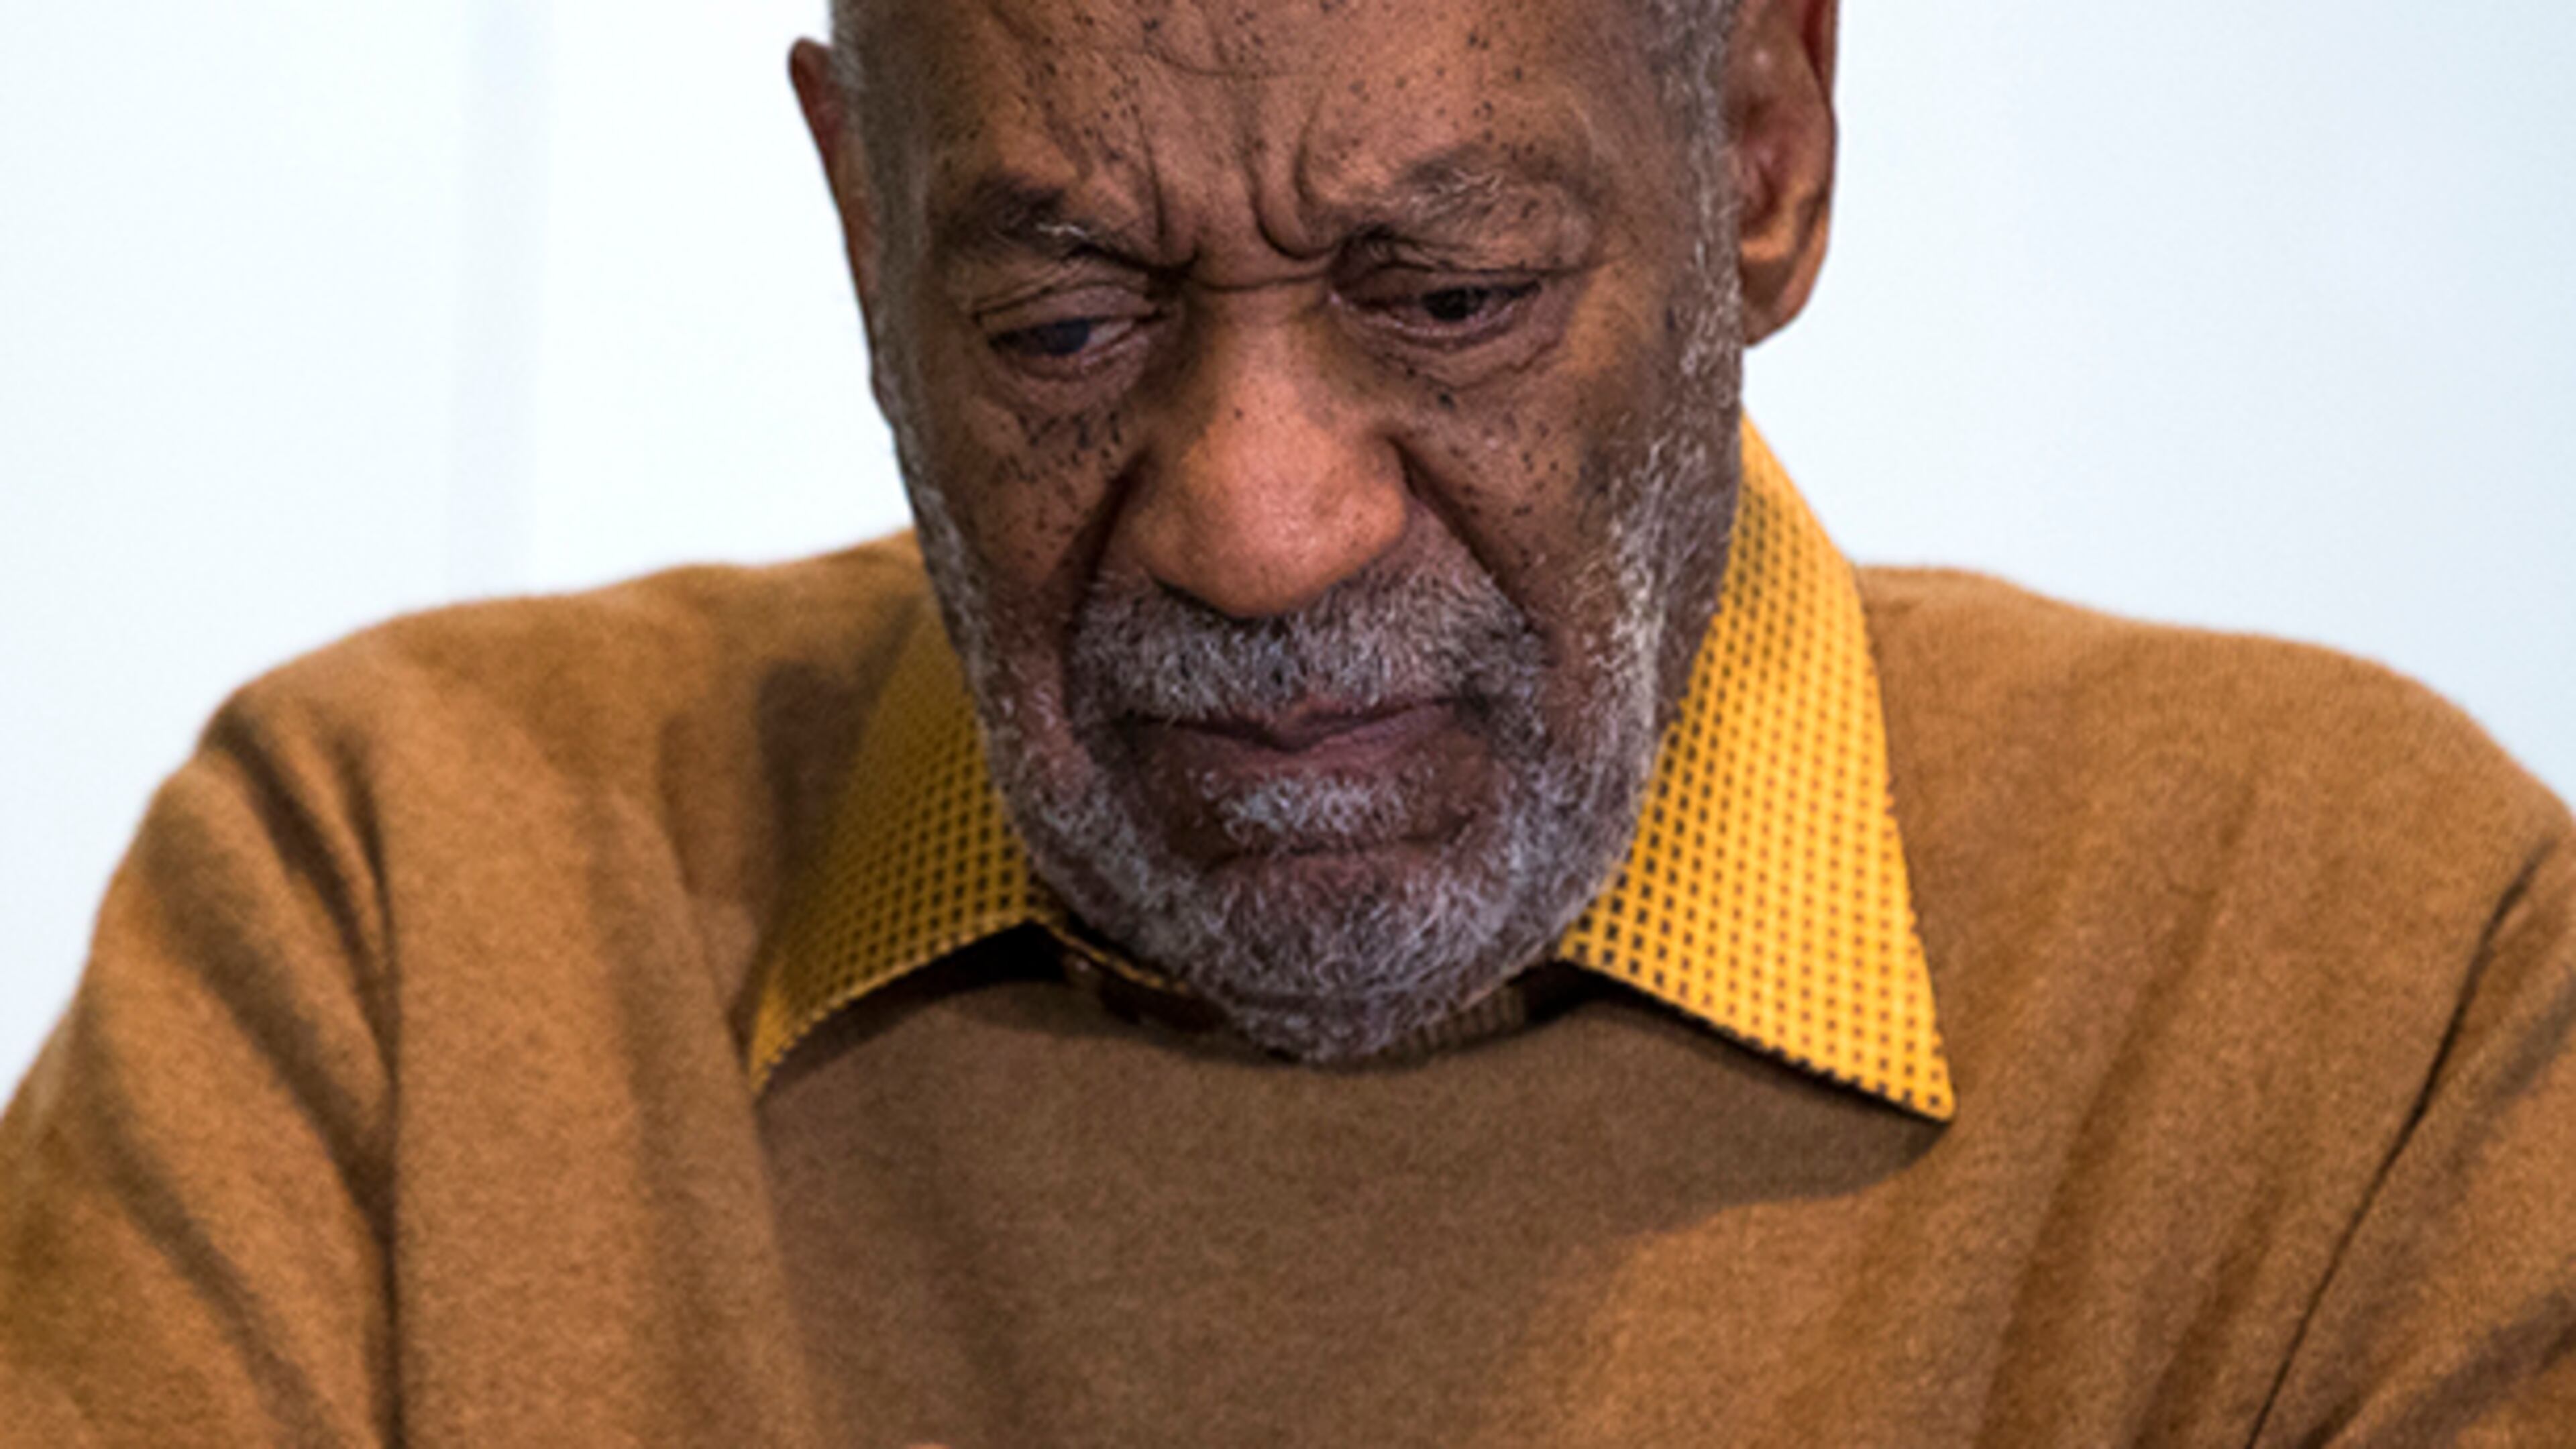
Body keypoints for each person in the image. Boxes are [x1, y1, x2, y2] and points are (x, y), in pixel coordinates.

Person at [2, 0, 2569, 1442]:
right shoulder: (397, 913)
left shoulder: (2371, 996)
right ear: (859, 215)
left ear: (1762, 142)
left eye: (1445, 294)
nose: (1257, 521)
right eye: (1062, 324)